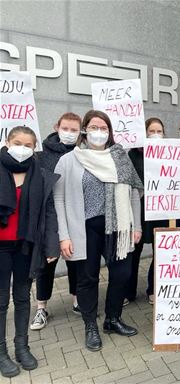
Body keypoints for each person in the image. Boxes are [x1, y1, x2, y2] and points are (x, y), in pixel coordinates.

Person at [53, 110, 143, 352]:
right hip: (85, 228)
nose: (99, 132)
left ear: (110, 132)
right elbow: (59, 199)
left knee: (122, 273)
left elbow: (134, 192)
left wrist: (137, 226)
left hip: (118, 228)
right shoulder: (70, 160)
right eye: (94, 127)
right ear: (85, 129)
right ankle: (90, 324)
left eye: (103, 128)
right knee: (87, 278)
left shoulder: (121, 157)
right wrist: (64, 235)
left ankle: (113, 319)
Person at [0, 126, 59, 377]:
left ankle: (22, 346)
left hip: (26, 245)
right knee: (1, 301)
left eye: (27, 145)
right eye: (17, 142)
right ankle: (1, 353)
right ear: (7, 141)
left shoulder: (40, 175)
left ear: (34, 147)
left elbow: (48, 212)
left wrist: (51, 244)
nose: (22, 149)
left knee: (23, 297)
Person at [30, 112, 82, 331]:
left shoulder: (82, 153)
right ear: (56, 127)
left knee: (76, 261)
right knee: (46, 264)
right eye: (66, 128)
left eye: (74, 130)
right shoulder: (41, 154)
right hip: (48, 218)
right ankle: (41, 307)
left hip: (74, 215)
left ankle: (77, 300)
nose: (69, 133)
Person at [125, 117, 168, 306]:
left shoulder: (168, 153)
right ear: (145, 132)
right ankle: (129, 291)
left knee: (159, 251)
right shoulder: (132, 155)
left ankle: (153, 288)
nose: (156, 135)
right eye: (152, 131)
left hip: (161, 209)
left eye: (159, 132)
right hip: (140, 209)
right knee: (134, 251)